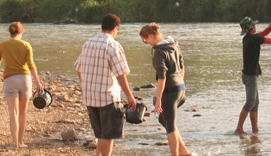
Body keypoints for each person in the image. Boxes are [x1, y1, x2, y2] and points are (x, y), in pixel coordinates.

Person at [75, 14, 137, 156]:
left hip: (90, 97)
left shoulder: (88, 43)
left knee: (101, 134)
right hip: (107, 97)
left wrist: (86, 86)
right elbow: (121, 74)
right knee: (108, 135)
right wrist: (130, 96)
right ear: (115, 28)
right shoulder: (113, 46)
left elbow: (79, 69)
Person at [139, 23, 193, 156]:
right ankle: (184, 152)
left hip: (170, 91)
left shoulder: (159, 51)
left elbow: (162, 77)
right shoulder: (173, 44)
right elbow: (182, 65)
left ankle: (176, 154)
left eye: (145, 40)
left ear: (150, 36)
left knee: (170, 125)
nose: (146, 43)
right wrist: (180, 82)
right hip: (181, 88)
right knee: (163, 119)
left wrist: (158, 99)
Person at [0, 22, 44, 150]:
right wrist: (38, 82)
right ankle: (21, 142)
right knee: (22, 113)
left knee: (13, 113)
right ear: (20, 33)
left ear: (10, 33)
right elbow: (31, 65)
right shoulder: (26, 45)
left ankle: (14, 143)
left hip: (10, 80)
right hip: (25, 80)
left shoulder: (2, 46)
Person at [235, 14, 271, 135]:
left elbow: (265, 32)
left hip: (249, 75)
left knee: (255, 103)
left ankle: (255, 130)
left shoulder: (248, 38)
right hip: (250, 76)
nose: (255, 26)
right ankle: (239, 128)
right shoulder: (254, 39)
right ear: (250, 28)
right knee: (250, 102)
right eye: (253, 25)